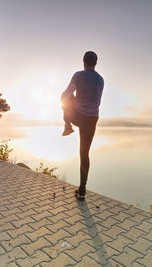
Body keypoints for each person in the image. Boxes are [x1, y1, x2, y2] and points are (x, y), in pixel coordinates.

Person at [61, 51, 104, 200]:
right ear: (96, 63)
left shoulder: (78, 75)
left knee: (65, 97)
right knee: (84, 153)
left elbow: (66, 95)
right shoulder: (101, 80)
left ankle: (67, 126)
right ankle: (82, 191)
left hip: (77, 116)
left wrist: (68, 104)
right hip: (92, 119)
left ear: (83, 61)